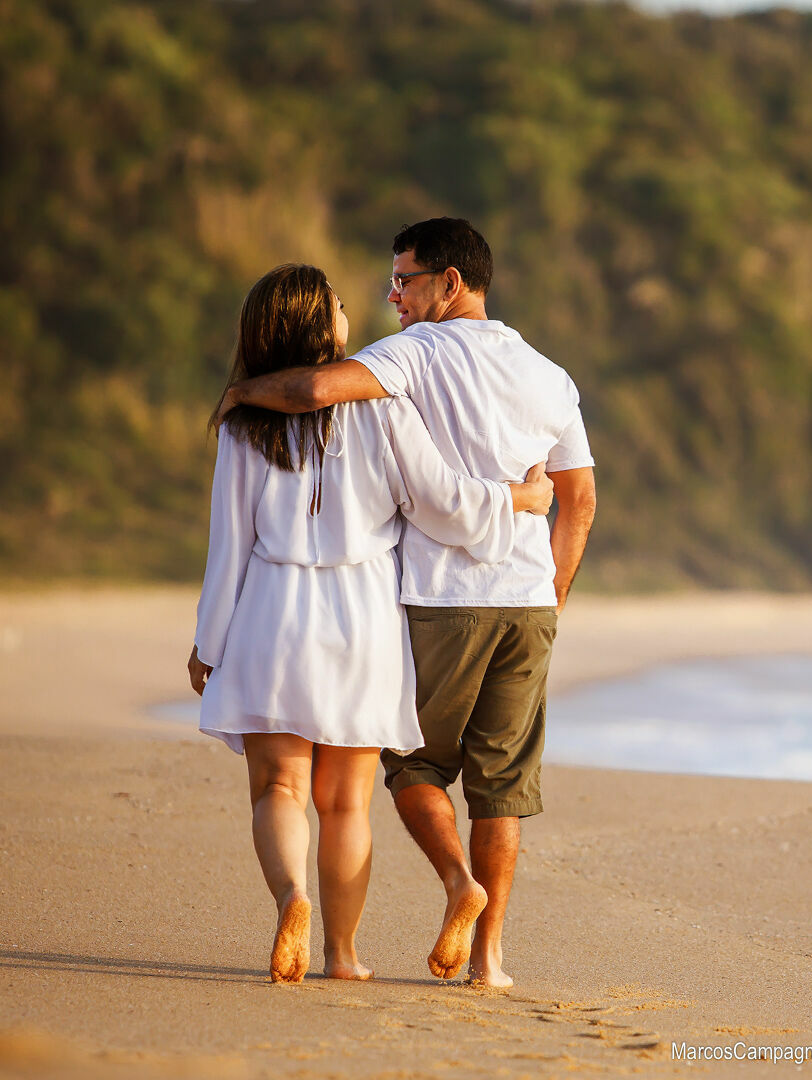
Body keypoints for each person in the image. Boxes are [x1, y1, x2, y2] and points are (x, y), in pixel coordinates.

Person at [219, 218, 597, 989]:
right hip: (510, 605)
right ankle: (481, 961)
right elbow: (572, 498)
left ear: (449, 283)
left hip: (425, 601)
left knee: (400, 765)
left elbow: (316, 390)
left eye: (404, 280)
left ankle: (423, 883)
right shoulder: (548, 373)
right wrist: (547, 577)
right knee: (500, 787)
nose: (390, 295)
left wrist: (242, 390)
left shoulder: (404, 358)